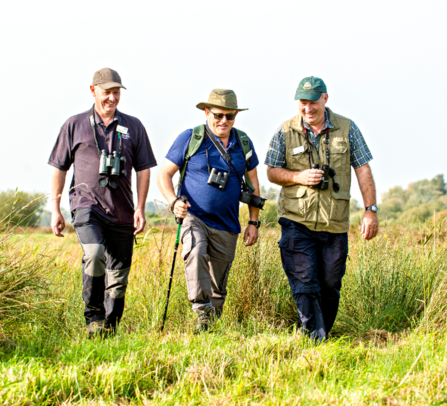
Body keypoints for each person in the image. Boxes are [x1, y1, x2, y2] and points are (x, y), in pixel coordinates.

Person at [265, 76, 378, 342]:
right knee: (304, 283)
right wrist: (297, 177)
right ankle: (314, 339)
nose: (307, 108)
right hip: (296, 220)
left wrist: (370, 210)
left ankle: (322, 333)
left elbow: (363, 170)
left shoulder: (348, 128)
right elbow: (271, 171)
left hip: (334, 223)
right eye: (303, 102)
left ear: (325, 99)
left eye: (313, 102)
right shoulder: (284, 131)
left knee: (329, 284)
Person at [48, 68, 157, 337]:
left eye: (116, 92)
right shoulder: (74, 124)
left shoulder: (134, 126)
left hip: (122, 211)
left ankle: (109, 328)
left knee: (118, 277)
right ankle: (93, 316)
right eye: (107, 92)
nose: (112, 97)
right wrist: (55, 209)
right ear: (93, 90)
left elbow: (144, 169)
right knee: (94, 254)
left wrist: (140, 208)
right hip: (86, 206)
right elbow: (59, 168)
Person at [157, 89, 262, 332]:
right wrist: (174, 202)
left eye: (230, 116)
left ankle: (210, 326)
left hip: (227, 224)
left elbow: (254, 186)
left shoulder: (243, 143)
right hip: (195, 217)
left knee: (219, 282)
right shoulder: (190, 138)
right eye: (218, 115)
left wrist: (253, 223)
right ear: (207, 112)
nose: (224, 120)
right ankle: (201, 312)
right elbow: (164, 174)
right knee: (194, 250)